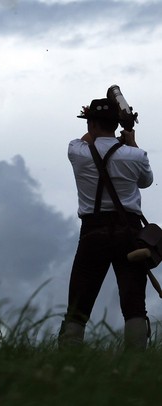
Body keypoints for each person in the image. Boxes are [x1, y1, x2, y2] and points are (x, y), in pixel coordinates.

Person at [59, 97, 153, 350]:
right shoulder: (136, 155)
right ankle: (136, 363)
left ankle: (68, 358)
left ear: (91, 123)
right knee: (134, 304)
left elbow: (88, 139)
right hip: (130, 234)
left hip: (93, 232)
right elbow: (146, 182)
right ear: (116, 124)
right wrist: (130, 140)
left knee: (79, 305)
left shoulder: (76, 150)